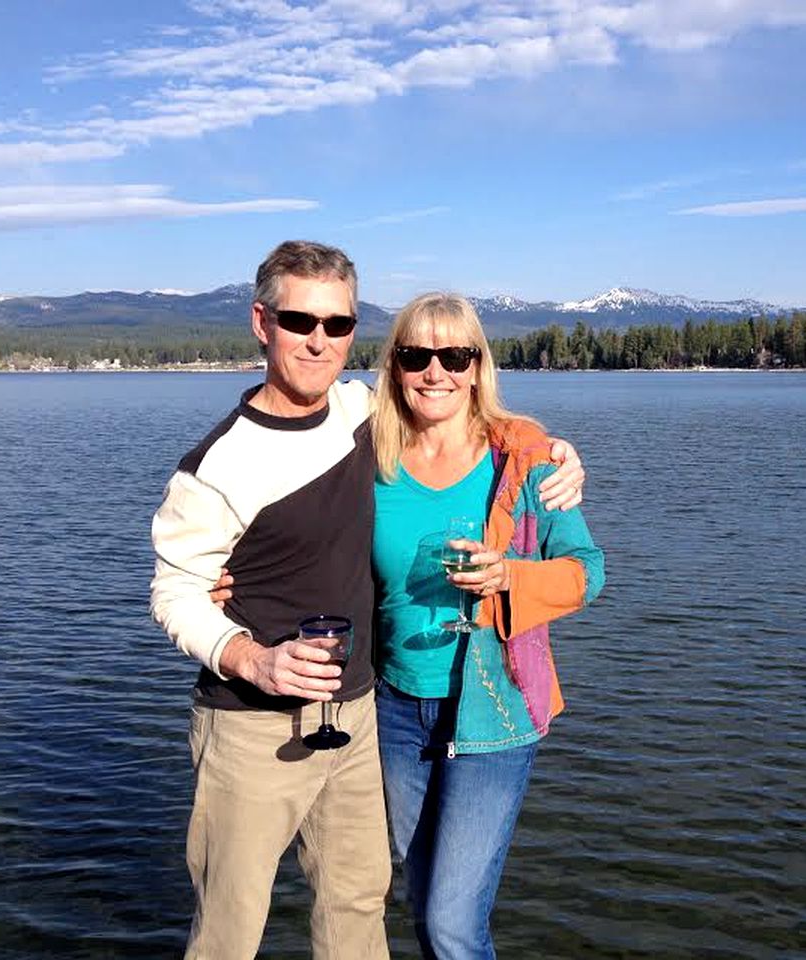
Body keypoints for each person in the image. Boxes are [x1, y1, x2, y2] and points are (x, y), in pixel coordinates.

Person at [150, 242, 583, 960]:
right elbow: (173, 591)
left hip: (357, 717)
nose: (319, 340)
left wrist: (550, 447)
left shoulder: (363, 412)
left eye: (338, 324)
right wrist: (250, 657)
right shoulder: (215, 466)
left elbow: (463, 409)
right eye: (299, 320)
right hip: (252, 727)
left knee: (357, 911)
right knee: (229, 930)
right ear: (263, 323)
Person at [370, 293, 605, 959]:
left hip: (494, 709)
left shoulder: (524, 455)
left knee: (451, 922)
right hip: (393, 707)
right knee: (425, 906)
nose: (435, 371)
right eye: (417, 355)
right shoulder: (370, 455)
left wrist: (511, 579)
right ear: (394, 366)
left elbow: (589, 571)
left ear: (478, 367)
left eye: (454, 355)